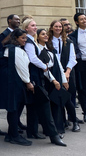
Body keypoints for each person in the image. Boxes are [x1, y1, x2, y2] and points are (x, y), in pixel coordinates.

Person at [22, 18, 66, 146]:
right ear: (26, 28)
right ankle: (54, 136)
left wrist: (51, 77)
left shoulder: (33, 41)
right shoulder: (29, 42)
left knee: (33, 106)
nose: (35, 27)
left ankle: (32, 131)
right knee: (45, 106)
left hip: (38, 77)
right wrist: (44, 66)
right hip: (35, 79)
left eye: (36, 25)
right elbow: (33, 59)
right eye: (33, 25)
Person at [0, 29, 32, 146]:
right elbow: (22, 68)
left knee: (14, 108)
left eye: (26, 38)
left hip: (12, 82)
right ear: (16, 38)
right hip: (14, 82)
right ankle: (14, 136)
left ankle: (10, 134)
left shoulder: (11, 49)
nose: (25, 40)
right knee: (14, 108)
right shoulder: (14, 50)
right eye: (23, 38)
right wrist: (28, 82)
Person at [36, 28, 70, 137]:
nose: (46, 36)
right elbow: (44, 69)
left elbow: (59, 65)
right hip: (46, 80)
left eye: (46, 34)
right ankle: (50, 130)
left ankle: (58, 128)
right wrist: (53, 80)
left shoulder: (49, 49)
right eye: (42, 34)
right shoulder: (39, 50)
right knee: (48, 107)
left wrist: (64, 80)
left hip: (56, 79)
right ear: (37, 37)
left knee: (57, 105)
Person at [48, 20, 81, 131]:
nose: (58, 28)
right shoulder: (48, 41)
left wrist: (67, 72)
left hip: (68, 74)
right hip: (55, 73)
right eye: (56, 26)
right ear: (51, 28)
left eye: (60, 26)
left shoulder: (68, 41)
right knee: (57, 99)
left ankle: (75, 121)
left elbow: (73, 59)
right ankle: (61, 122)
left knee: (67, 98)